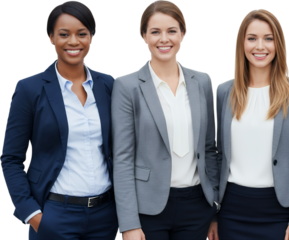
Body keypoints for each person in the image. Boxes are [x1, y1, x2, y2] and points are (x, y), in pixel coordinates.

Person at [0, 1, 119, 239]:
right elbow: (11, 159)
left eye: (82, 34)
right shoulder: (29, 89)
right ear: (51, 38)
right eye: (64, 34)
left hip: (105, 216)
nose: (73, 42)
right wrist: (32, 214)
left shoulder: (109, 85)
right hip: (54, 214)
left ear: (92, 38)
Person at [111, 0, 218, 239]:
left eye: (171, 31)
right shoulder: (126, 86)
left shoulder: (202, 82)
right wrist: (128, 223)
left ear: (183, 34)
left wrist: (215, 206)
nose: (164, 39)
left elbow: (209, 148)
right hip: (148, 208)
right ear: (143, 37)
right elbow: (123, 158)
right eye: (155, 32)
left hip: (197, 205)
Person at [214, 8, 289, 240]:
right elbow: (217, 155)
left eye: (268, 39)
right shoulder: (223, 92)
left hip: (280, 211)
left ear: (278, 44)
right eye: (252, 38)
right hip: (231, 211)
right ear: (242, 44)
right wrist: (213, 215)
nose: (260, 46)